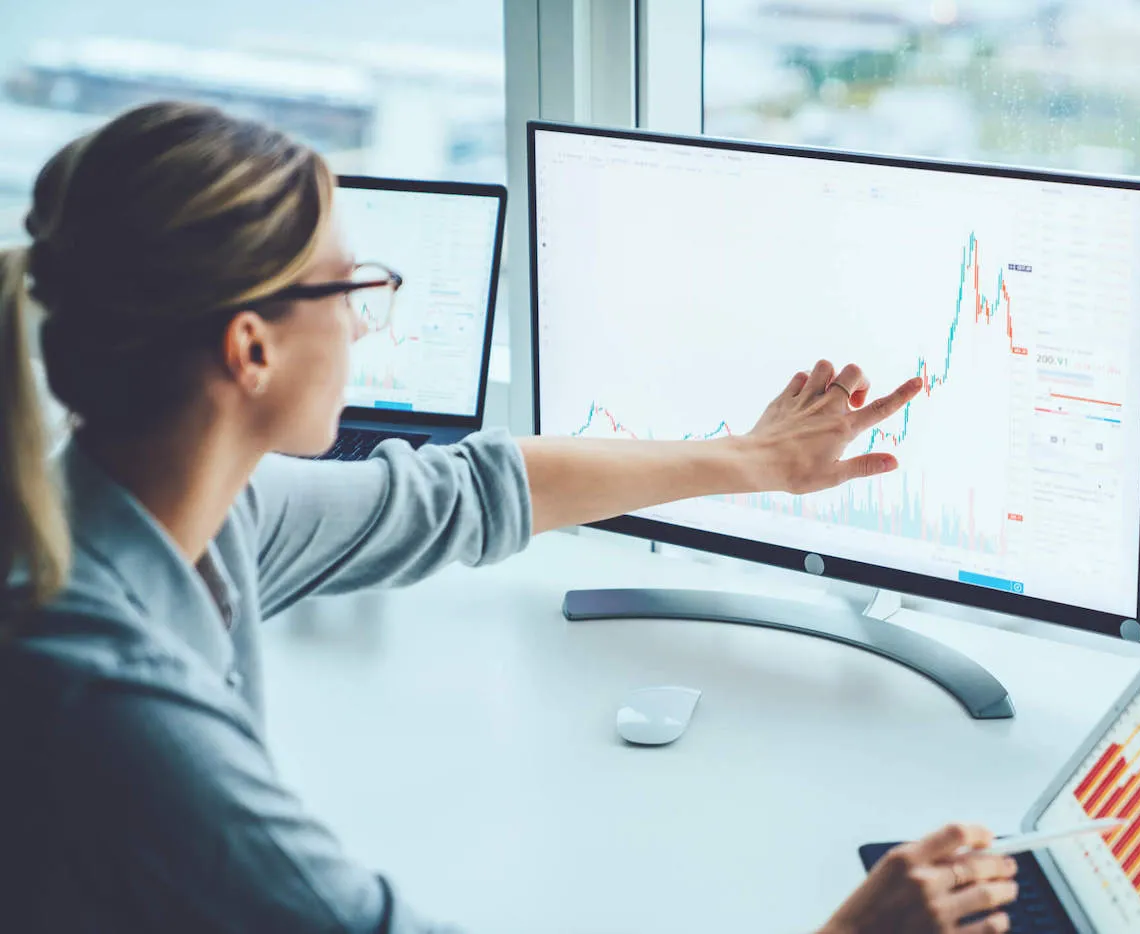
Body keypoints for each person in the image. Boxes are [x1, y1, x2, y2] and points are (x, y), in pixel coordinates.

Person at [0, 102, 1019, 933]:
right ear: (249, 350)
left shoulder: (168, 511)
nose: (363, 319)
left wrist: (750, 460)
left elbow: (466, 493)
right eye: (348, 288)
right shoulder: (114, 700)